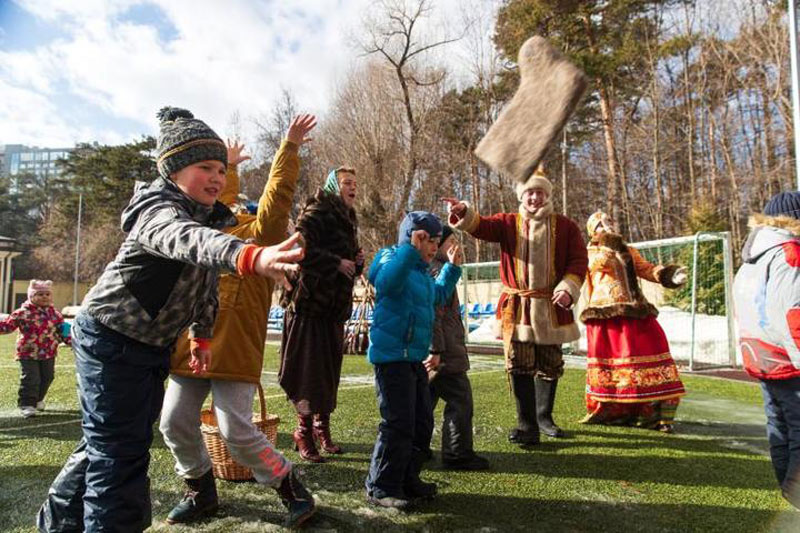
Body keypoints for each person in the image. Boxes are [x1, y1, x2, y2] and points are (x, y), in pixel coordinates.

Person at [36, 107, 305, 533]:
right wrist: (248, 255)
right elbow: (184, 240)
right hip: (110, 338)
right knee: (120, 456)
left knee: (108, 444)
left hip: (149, 347)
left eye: (221, 168)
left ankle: (57, 523)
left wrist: (200, 338)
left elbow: (203, 291)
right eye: (205, 167)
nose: (217, 177)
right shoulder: (159, 210)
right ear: (174, 170)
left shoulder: (207, 215)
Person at [159, 115, 317, 527]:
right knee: (173, 421)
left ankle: (288, 485)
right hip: (193, 344)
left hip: (235, 348)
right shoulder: (206, 225)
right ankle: (200, 490)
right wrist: (224, 163)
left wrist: (290, 148)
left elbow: (277, 196)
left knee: (236, 430)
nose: (233, 205)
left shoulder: (262, 234)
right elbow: (215, 199)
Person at [445, 166, 587, 446]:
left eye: (539, 192)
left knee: (550, 364)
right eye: (530, 192)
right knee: (520, 365)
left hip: (551, 306)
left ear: (547, 195)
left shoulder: (566, 226)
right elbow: (481, 226)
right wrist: (463, 211)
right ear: (523, 195)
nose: (534, 197)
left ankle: (545, 418)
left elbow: (578, 261)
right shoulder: (508, 222)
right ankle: (527, 425)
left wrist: (568, 288)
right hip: (518, 307)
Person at [364, 211, 462, 509]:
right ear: (412, 237)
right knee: (397, 423)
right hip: (391, 358)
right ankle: (381, 487)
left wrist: (451, 270)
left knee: (421, 422)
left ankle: (407, 478)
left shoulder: (421, 272)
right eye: (428, 240)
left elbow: (438, 296)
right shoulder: (390, 257)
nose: (434, 247)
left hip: (413, 359)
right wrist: (409, 248)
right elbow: (386, 283)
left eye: (435, 241)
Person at [278, 165, 363, 462]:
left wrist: (356, 262)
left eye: (355, 182)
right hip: (310, 305)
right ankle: (302, 431)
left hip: (334, 308)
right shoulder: (317, 211)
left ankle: (320, 428)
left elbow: (349, 262)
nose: (353, 187)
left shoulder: (349, 217)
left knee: (328, 372)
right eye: (347, 182)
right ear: (332, 186)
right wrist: (336, 262)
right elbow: (298, 250)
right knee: (308, 372)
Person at [579, 211, 687, 432]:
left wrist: (668, 275)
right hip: (604, 316)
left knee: (654, 347)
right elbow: (595, 266)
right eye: (600, 224)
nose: (607, 226)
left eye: (609, 221)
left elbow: (646, 268)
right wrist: (610, 243)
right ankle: (615, 409)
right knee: (614, 363)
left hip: (636, 311)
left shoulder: (628, 249)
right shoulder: (589, 253)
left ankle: (655, 413)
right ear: (592, 231)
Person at [733, 191, 800, 509]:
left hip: (759, 351)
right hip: (786, 354)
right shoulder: (788, 253)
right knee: (797, 426)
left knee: (778, 423)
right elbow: (791, 312)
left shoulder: (753, 254)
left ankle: (787, 488)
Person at [427, 226, 490, 470]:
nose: (456, 246)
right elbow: (434, 314)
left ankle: (416, 449)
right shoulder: (439, 271)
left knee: (425, 402)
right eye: (450, 241)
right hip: (444, 353)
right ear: (438, 245)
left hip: (440, 350)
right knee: (460, 400)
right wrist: (438, 351)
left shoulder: (440, 270)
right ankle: (457, 453)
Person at [0, 280, 70, 418]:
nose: (44, 297)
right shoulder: (22, 312)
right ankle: (27, 404)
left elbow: (63, 330)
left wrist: (70, 340)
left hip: (49, 352)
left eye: (47, 294)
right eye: (39, 294)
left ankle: (38, 399)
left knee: (48, 377)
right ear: (31, 296)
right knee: (31, 378)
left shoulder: (55, 314)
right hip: (27, 352)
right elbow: (8, 325)